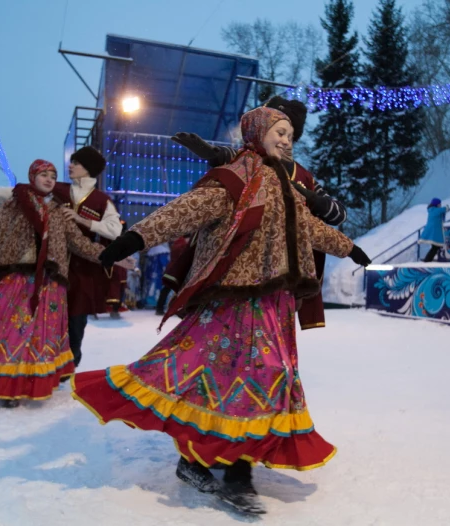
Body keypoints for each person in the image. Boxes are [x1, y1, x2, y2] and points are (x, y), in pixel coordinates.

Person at [71, 107, 371, 514]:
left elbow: (310, 228)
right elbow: (183, 211)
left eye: (290, 135)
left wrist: (348, 247)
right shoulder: (236, 180)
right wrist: (133, 238)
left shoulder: (286, 183)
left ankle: (205, 460)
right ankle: (234, 475)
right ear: (258, 133)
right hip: (235, 300)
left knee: (244, 383)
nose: (287, 140)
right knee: (241, 380)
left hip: (274, 302)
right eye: (279, 132)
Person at [0, 159, 111, 407]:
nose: (49, 179)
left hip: (50, 284)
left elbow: (81, 245)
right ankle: (5, 384)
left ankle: (27, 383)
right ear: (32, 177)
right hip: (18, 279)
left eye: (53, 175)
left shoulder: (59, 212)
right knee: (9, 331)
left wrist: (115, 257)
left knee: (39, 336)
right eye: (44, 174)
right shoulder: (13, 206)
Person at [171, 96, 347, 330]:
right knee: (223, 333)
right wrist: (214, 154)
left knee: (270, 336)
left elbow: (338, 215)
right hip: (236, 266)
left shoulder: (305, 178)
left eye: (285, 132)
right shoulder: (247, 162)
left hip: (282, 273)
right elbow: (229, 158)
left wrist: (315, 200)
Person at [0, 146, 122, 369]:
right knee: (41, 320)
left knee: (75, 323)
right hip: (52, 265)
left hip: (82, 270)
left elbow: (114, 230)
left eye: (76, 163)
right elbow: (16, 193)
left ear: (88, 169)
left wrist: (84, 222)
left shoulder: (102, 201)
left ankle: (66, 368)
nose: (70, 166)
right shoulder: (57, 188)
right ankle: (32, 365)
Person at [419, 198, 449, 262]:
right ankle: (427, 260)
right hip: (434, 232)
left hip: (432, 232)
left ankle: (427, 260)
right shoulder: (435, 210)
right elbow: (444, 209)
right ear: (437, 204)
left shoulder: (431, 210)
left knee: (435, 247)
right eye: (439, 204)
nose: (440, 205)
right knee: (435, 247)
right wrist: (446, 207)